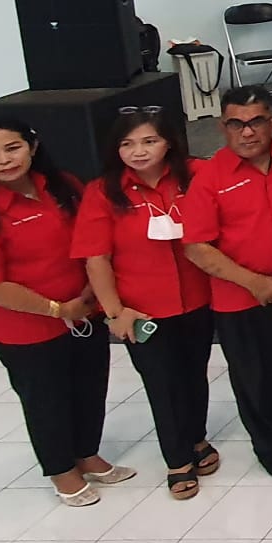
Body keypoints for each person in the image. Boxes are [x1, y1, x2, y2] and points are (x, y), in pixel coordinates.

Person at [0, 116, 132, 507]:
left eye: (13, 148)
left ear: (32, 146)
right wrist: (57, 309)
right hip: (23, 328)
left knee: (89, 387)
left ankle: (86, 454)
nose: (4, 160)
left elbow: (93, 240)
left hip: (85, 312)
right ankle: (61, 470)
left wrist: (88, 294)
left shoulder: (64, 186)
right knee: (47, 400)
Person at [182, 86, 272, 480]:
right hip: (241, 299)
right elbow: (196, 247)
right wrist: (252, 281)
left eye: (256, 121)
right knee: (255, 376)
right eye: (236, 124)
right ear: (223, 127)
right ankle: (270, 446)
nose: (247, 132)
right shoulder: (210, 177)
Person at [74, 109, 216, 500]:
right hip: (141, 309)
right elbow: (96, 259)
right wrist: (114, 312)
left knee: (194, 373)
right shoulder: (103, 191)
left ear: (169, 142)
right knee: (161, 383)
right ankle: (177, 460)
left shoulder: (196, 175)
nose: (139, 152)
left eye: (149, 141)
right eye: (127, 144)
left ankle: (197, 438)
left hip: (198, 298)